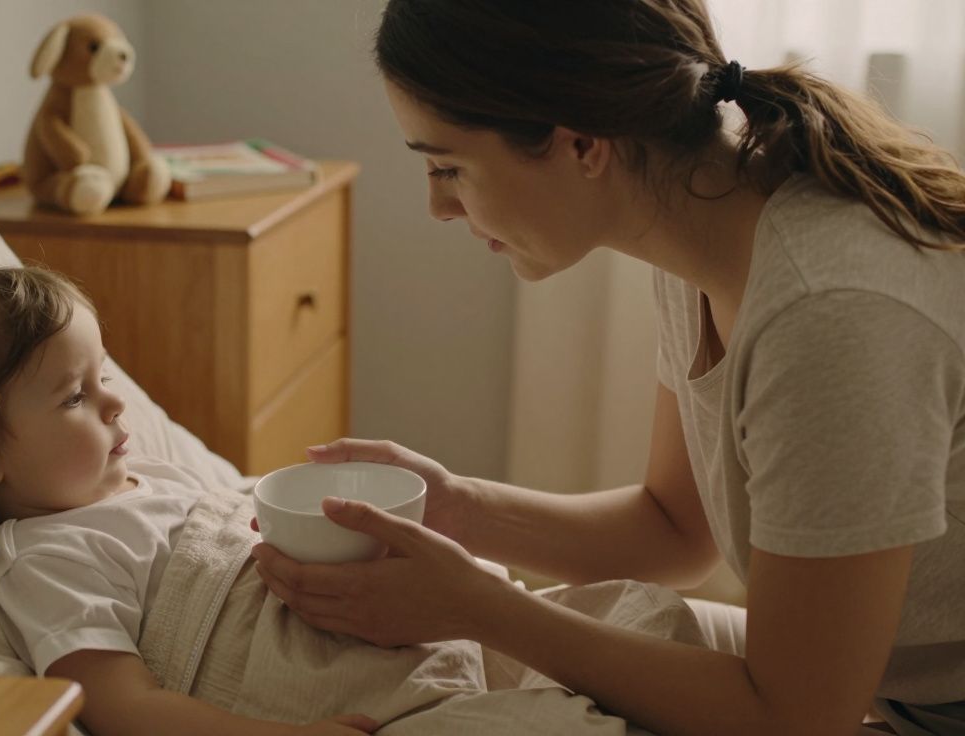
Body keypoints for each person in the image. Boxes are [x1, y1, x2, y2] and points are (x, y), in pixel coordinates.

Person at [251, 2, 965, 735]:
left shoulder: (827, 312)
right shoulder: (709, 229)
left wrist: (480, 608)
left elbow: (796, 719)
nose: (438, 206)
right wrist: (456, 508)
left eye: (448, 167)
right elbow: (673, 528)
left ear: (582, 145)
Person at [0, 266, 700, 736]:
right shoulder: (49, 561)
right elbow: (124, 709)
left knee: (642, 620)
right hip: (354, 701)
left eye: (102, 376)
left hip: (410, 634)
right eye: (74, 396)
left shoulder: (153, 479)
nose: (114, 402)